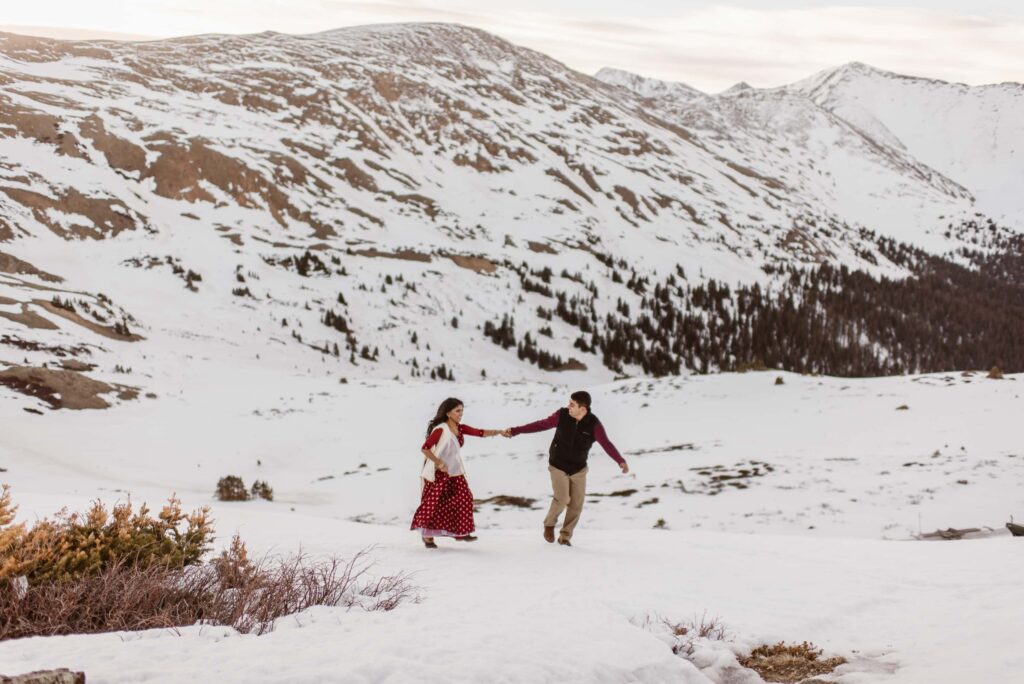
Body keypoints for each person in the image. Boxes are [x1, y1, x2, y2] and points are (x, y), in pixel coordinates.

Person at [503, 391, 628, 546]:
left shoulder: (593, 424)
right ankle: (549, 524)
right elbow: (540, 425)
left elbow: (606, 443)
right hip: (558, 465)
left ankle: (565, 537)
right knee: (562, 498)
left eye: (572, 404)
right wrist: (516, 430)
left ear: (583, 409)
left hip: (578, 469)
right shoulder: (562, 415)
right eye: (569, 403)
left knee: (576, 504)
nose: (568, 406)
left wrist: (620, 460)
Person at [411, 397, 502, 548]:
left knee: (465, 497)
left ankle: (461, 532)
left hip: (455, 472)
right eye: (458, 411)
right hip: (438, 473)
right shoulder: (440, 429)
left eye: (462, 411)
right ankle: (427, 536)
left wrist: (498, 432)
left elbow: (479, 432)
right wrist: (439, 462)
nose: (461, 414)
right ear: (448, 413)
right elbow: (425, 448)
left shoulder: (460, 428)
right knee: (434, 504)